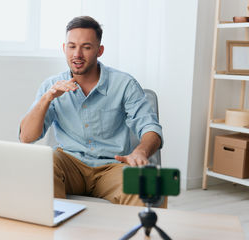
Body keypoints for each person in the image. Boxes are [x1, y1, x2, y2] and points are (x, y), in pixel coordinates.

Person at [19, 16, 163, 206]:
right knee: (42, 165)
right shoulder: (51, 86)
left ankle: (135, 236)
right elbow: (27, 138)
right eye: (71, 46)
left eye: (86, 47)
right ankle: (52, 232)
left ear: (99, 50)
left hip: (112, 166)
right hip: (69, 164)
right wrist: (47, 98)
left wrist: (141, 151)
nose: (77, 54)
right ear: (64, 48)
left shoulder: (124, 84)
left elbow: (150, 127)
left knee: (149, 186)